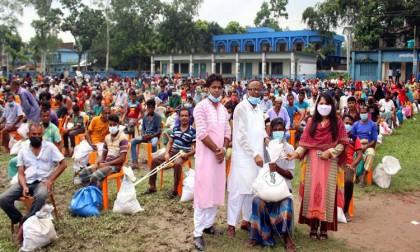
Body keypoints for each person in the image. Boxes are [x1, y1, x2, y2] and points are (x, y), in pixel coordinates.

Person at [287, 92, 348, 240]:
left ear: (332, 106)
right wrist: (295, 153)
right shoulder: (311, 122)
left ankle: (324, 229)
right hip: (313, 161)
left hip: (330, 162)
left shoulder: (337, 123)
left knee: (327, 193)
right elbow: (305, 144)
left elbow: (342, 143)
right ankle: (313, 227)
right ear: (317, 105)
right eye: (321, 103)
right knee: (312, 191)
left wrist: (330, 151)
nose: (323, 106)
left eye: (327, 103)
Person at [0, 123, 67, 243]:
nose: (37, 137)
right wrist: (24, 186)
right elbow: (21, 172)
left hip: (43, 182)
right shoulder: (23, 150)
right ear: (28, 135)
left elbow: (64, 164)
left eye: (39, 134)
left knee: (41, 195)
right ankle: (21, 220)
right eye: (34, 134)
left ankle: (23, 226)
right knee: (3, 199)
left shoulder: (49, 147)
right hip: (27, 182)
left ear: (42, 134)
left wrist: (51, 179)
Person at [192, 74, 231, 251]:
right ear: (207, 89)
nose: (216, 90)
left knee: (216, 190)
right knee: (203, 192)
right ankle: (198, 233)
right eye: (213, 87)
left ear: (223, 89)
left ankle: (208, 225)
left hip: (219, 157)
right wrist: (217, 150)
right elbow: (201, 133)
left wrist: (223, 149)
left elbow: (227, 132)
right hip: (206, 157)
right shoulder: (200, 107)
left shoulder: (223, 110)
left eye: (219, 87)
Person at [227, 80, 268, 238]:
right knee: (238, 191)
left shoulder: (259, 107)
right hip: (244, 157)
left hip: (256, 156)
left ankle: (246, 220)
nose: (256, 93)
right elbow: (241, 136)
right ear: (247, 91)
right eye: (253, 90)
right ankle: (231, 224)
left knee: (252, 189)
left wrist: (266, 139)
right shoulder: (241, 108)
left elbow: (261, 128)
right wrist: (254, 154)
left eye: (259, 90)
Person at [247, 118, 296, 250]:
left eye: (280, 130)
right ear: (271, 132)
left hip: (283, 188)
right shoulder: (265, 148)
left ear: (285, 131)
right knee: (257, 201)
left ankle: (287, 238)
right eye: (275, 130)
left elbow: (291, 175)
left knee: (286, 204)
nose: (278, 132)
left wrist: (278, 169)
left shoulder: (289, 148)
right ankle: (259, 235)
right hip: (266, 187)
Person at [142, 108, 196, 199]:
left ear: (189, 117)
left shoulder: (193, 131)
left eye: (186, 116)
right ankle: (152, 186)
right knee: (154, 160)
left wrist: (188, 155)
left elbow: (197, 148)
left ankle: (175, 189)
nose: (184, 118)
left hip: (183, 154)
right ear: (179, 117)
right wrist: (166, 153)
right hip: (172, 151)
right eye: (182, 116)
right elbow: (170, 143)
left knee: (177, 164)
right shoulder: (175, 129)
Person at [80, 115, 128, 187]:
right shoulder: (107, 137)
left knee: (95, 175)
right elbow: (103, 156)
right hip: (106, 163)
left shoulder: (123, 138)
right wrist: (96, 163)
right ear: (108, 125)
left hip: (115, 166)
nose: (112, 127)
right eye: (110, 125)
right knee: (83, 173)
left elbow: (122, 158)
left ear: (118, 125)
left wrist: (106, 164)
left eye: (114, 125)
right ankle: (89, 191)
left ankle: (97, 194)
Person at [130, 99, 162, 169]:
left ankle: (154, 162)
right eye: (149, 108)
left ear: (154, 107)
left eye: (152, 108)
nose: (150, 109)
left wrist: (152, 136)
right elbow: (143, 128)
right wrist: (143, 134)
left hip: (154, 136)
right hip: (145, 135)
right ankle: (135, 162)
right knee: (132, 141)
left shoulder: (158, 117)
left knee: (153, 144)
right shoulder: (145, 117)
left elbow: (159, 131)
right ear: (147, 108)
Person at [351, 106, 378, 188]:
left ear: (368, 113)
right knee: (352, 154)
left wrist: (366, 147)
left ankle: (363, 178)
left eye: (364, 113)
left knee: (371, 154)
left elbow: (374, 140)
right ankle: (355, 176)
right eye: (361, 113)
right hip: (357, 145)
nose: (363, 114)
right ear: (359, 113)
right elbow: (352, 137)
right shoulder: (356, 124)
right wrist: (358, 146)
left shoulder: (373, 125)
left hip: (368, 145)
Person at [342, 115, 363, 222]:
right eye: (346, 123)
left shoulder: (355, 138)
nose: (348, 125)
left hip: (348, 165)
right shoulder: (336, 135)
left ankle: (345, 210)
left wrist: (353, 165)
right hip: (335, 163)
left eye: (350, 123)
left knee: (349, 182)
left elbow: (360, 155)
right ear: (342, 122)